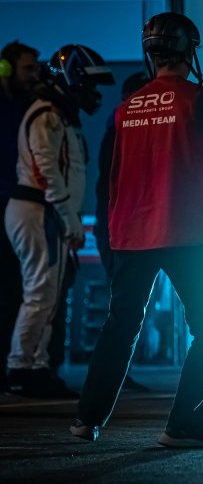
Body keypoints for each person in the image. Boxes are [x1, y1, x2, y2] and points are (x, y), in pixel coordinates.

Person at [71, 12, 203, 447]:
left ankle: (87, 420)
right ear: (189, 52)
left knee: (121, 324)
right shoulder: (199, 99)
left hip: (131, 230)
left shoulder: (127, 107)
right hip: (182, 230)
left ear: (151, 53)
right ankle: (183, 424)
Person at [6, 45, 113, 398]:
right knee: (40, 292)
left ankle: (35, 367)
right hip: (38, 210)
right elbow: (48, 173)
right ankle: (22, 368)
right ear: (72, 78)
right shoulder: (47, 115)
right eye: (88, 82)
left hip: (44, 211)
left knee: (46, 293)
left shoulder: (57, 114)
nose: (93, 91)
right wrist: (69, 222)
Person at [93, 71, 152, 393]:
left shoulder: (117, 129)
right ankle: (111, 376)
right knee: (123, 304)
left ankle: (114, 375)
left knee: (125, 303)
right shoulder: (121, 130)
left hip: (122, 226)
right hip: (120, 227)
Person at [0, 41, 41, 394]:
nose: (34, 76)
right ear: (6, 69)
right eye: (28, 68)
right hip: (9, 202)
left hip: (15, 202)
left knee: (18, 289)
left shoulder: (29, 104)